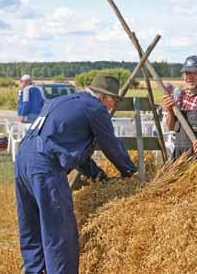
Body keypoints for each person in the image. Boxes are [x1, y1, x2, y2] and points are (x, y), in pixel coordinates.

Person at [15, 74, 137, 274]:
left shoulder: (63, 101)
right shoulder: (94, 108)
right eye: (114, 99)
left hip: (23, 159)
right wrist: (129, 172)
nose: (113, 104)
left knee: (31, 226)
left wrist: (98, 176)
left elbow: (67, 147)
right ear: (104, 97)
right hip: (45, 167)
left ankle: (33, 270)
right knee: (59, 231)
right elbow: (110, 145)